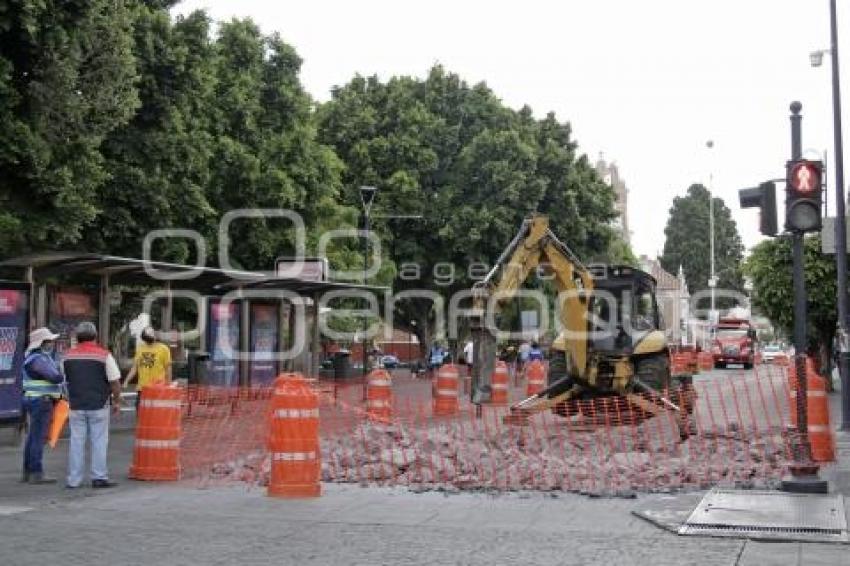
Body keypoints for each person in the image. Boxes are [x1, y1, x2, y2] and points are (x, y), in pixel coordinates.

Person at [62, 322, 122, 489]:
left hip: (75, 405)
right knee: (99, 441)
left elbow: (64, 380)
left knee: (76, 442)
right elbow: (115, 382)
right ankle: (99, 477)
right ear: (95, 336)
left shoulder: (67, 356)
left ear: (77, 337)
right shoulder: (104, 356)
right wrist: (116, 401)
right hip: (99, 405)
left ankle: (74, 480)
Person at [21, 327, 63, 484]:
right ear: (41, 343)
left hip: (34, 399)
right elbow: (55, 377)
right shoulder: (38, 359)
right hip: (41, 401)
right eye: (49, 341)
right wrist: (62, 373)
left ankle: (28, 472)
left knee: (32, 436)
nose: (52, 343)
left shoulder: (33, 357)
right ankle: (36, 472)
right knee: (38, 437)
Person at [123, 326, 172, 409]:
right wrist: (126, 381)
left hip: (157, 388)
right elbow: (135, 367)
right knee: (140, 412)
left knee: (155, 414)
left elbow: (168, 368)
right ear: (144, 337)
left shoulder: (163, 349)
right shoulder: (140, 348)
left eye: (152, 332)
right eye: (149, 333)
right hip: (142, 388)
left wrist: (168, 385)